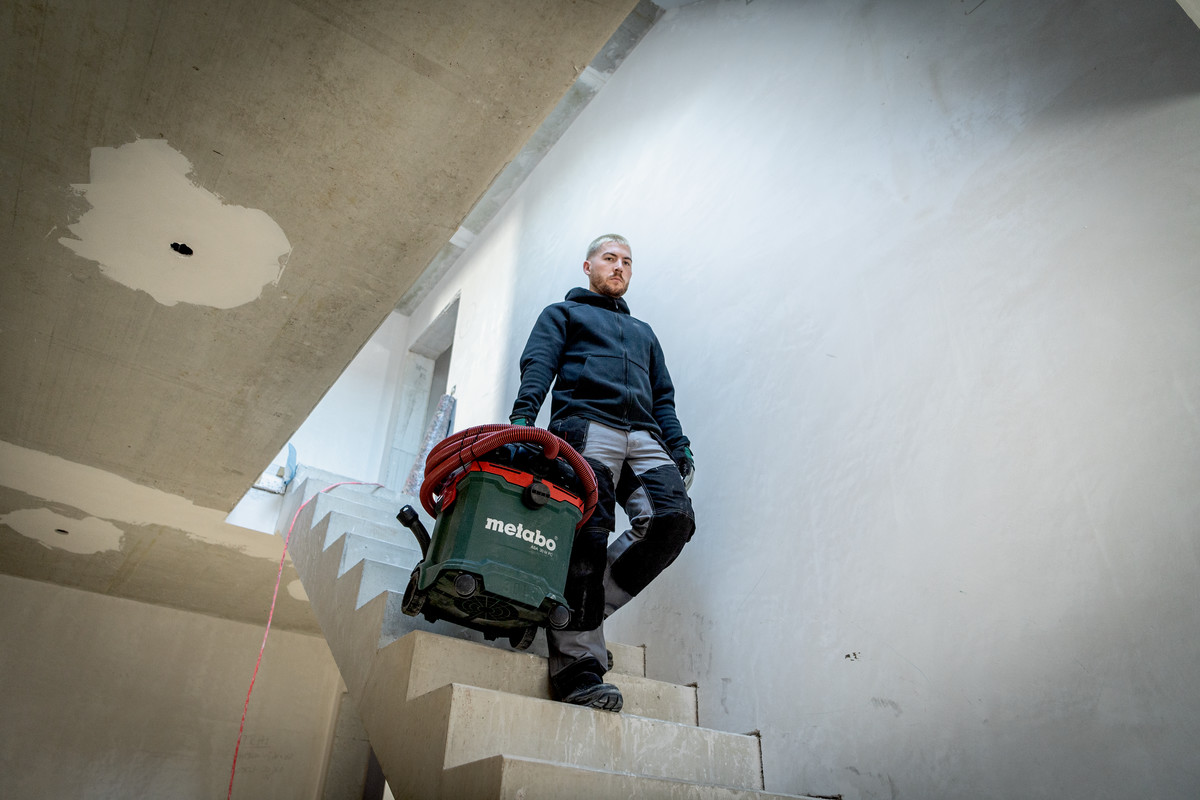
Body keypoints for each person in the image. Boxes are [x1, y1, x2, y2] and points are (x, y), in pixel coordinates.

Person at [510, 233, 696, 712]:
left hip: (645, 436)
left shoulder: (644, 332)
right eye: (610, 258)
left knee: (673, 520)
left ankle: (568, 611)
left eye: (627, 262)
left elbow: (663, 397)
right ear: (588, 266)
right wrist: (523, 418)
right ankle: (577, 666)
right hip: (587, 425)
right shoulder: (563, 314)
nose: (619, 267)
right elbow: (539, 364)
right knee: (589, 536)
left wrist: (678, 445)